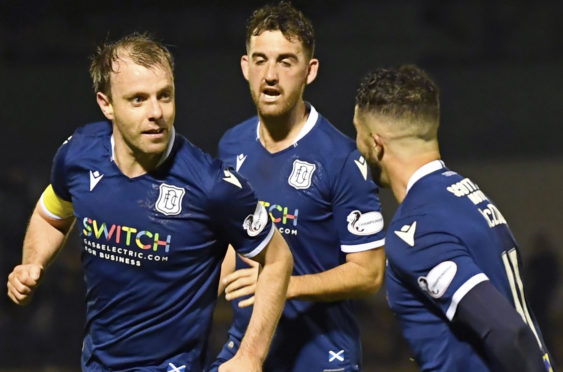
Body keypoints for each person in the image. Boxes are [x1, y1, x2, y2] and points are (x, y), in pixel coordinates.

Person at [6, 32, 293, 372]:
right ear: (106, 104)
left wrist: (250, 356)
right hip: (96, 363)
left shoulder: (212, 185)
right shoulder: (78, 154)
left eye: (165, 96)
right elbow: (51, 215)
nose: (156, 112)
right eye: (138, 99)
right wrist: (32, 262)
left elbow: (278, 259)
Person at [210, 3, 386, 371]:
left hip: (321, 353)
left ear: (310, 71)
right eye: (261, 60)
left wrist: (284, 285)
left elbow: (369, 273)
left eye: (286, 62)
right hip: (248, 344)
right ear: (245, 67)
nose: (270, 75)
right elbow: (235, 239)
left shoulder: (342, 160)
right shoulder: (231, 145)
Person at [353, 64, 554, 371]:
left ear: (377, 144)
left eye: (357, 134)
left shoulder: (415, 228)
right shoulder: (467, 195)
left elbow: (506, 332)